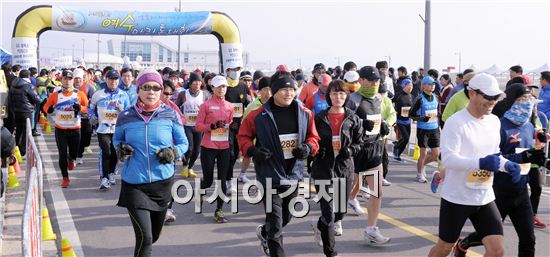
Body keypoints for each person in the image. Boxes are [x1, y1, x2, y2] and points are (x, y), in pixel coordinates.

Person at [428, 73, 521, 257]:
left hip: (484, 196)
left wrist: (507, 165)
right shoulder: (456, 122)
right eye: (487, 96)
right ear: (472, 93)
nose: (492, 101)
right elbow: (448, 159)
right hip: (457, 197)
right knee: (444, 248)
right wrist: (480, 163)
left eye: (496, 97)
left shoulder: (494, 122)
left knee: (496, 250)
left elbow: (494, 156)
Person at [453, 83, 546, 257]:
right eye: (522, 99)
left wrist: (537, 155)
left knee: (528, 239)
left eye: (529, 100)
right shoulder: (498, 126)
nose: (527, 103)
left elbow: (529, 154)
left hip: (521, 191)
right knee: (487, 237)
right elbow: (495, 157)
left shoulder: (529, 125)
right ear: (511, 102)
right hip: (498, 191)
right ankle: (464, 243)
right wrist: (524, 157)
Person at [238, 71, 319, 257]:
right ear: (274, 92)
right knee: (275, 222)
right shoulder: (258, 115)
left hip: (293, 174)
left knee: (287, 216)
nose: (289, 93)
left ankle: (264, 233)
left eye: (292, 89)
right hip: (269, 173)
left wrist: (308, 148)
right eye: (284, 89)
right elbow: (243, 136)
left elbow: (313, 137)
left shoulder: (304, 113)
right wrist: (253, 150)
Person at [114, 69, 188, 257]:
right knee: (145, 238)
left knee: (153, 236)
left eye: (156, 88)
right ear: (138, 90)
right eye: (146, 87)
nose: (151, 92)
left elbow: (183, 143)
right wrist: (120, 148)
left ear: (161, 91)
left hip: (162, 184)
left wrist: (173, 152)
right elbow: (116, 140)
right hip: (134, 184)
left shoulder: (170, 114)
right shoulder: (126, 116)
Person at [310, 80, 362, 257]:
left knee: (340, 211)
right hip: (323, 168)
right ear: (328, 96)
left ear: (346, 95)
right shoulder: (319, 118)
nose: (338, 97)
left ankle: (320, 227)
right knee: (328, 212)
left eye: (341, 94)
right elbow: (312, 140)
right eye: (334, 94)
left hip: (344, 168)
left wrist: (351, 149)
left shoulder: (353, 118)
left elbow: (359, 142)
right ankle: (331, 252)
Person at [345, 66, 392, 243]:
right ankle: (331, 221)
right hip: (356, 150)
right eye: (370, 80)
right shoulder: (353, 99)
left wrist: (385, 125)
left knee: (376, 191)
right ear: (361, 80)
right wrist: (360, 124)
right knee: (349, 186)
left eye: (377, 81)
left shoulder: (380, 98)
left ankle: (372, 229)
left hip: (374, 148)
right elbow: (344, 123)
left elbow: (380, 118)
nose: (374, 84)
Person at [195, 75, 234, 223]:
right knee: (209, 180)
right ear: (212, 88)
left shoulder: (229, 106)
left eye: (223, 86)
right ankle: (201, 189)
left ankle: (219, 210)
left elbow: (229, 124)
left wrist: (231, 127)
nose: (221, 89)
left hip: (223, 146)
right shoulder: (205, 105)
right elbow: (198, 126)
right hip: (208, 147)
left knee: (222, 181)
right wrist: (211, 126)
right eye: (218, 87)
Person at [42, 70, 88, 188]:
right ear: (61, 80)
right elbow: (45, 106)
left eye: (70, 79)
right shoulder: (56, 95)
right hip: (60, 129)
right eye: (65, 79)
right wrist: (49, 110)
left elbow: (88, 108)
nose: (67, 81)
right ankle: (65, 178)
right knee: (62, 154)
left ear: (73, 80)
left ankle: (71, 159)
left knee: (73, 153)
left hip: (75, 129)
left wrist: (80, 108)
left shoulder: (79, 94)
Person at [89, 70, 131, 191]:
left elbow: (129, 112)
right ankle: (104, 178)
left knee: (114, 152)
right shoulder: (98, 94)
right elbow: (90, 107)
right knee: (105, 152)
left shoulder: (124, 95)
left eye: (116, 79)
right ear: (106, 79)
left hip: (118, 129)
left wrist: (122, 110)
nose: (113, 82)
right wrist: (93, 116)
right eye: (111, 79)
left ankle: (112, 173)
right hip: (103, 129)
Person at [224, 67, 251, 191]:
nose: (235, 72)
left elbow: (248, 104)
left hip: (239, 125)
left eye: (238, 69)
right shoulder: (223, 86)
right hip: (224, 126)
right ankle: (228, 180)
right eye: (233, 69)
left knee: (235, 154)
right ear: (227, 71)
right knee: (229, 153)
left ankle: (227, 176)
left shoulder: (243, 86)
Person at [409, 76, 440, 183]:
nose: (432, 86)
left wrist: (438, 118)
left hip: (434, 128)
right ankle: (419, 174)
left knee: (436, 154)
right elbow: (411, 115)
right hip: (423, 130)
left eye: (433, 84)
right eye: (430, 84)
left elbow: (437, 112)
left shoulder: (436, 97)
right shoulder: (419, 98)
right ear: (424, 86)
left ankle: (423, 165)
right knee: (423, 153)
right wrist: (422, 118)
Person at [240, 76, 272, 180]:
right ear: (259, 91)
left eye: (270, 89)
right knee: (248, 157)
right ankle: (243, 174)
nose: (268, 93)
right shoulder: (253, 106)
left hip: (270, 140)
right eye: (265, 90)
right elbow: (244, 124)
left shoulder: (276, 105)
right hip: (254, 141)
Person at [176, 72, 207, 178]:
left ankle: (190, 168)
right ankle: (185, 165)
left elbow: (207, 109)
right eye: (195, 82)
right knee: (189, 147)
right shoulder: (183, 94)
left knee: (197, 150)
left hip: (199, 126)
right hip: (187, 125)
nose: (197, 84)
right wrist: (180, 119)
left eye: (199, 82)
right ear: (190, 83)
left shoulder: (204, 95)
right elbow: (176, 108)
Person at [8, 70, 40, 158]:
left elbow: (9, 99)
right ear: (28, 76)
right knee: (27, 131)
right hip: (27, 111)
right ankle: (23, 152)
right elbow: (37, 99)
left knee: (18, 130)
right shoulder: (28, 86)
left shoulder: (13, 85)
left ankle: (16, 150)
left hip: (16, 111)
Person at [73, 68, 95, 164]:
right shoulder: (69, 87)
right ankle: (78, 155)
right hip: (73, 118)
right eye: (76, 79)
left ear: (83, 79)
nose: (78, 81)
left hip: (86, 116)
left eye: (79, 79)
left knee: (86, 135)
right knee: (78, 137)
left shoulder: (89, 87)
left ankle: (84, 147)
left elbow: (94, 101)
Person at [393, 78, 413, 162]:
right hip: (400, 121)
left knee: (407, 139)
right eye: (408, 85)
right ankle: (396, 151)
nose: (410, 87)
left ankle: (398, 153)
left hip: (408, 121)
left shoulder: (411, 96)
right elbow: (389, 103)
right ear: (404, 86)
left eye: (411, 85)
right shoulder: (398, 95)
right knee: (405, 137)